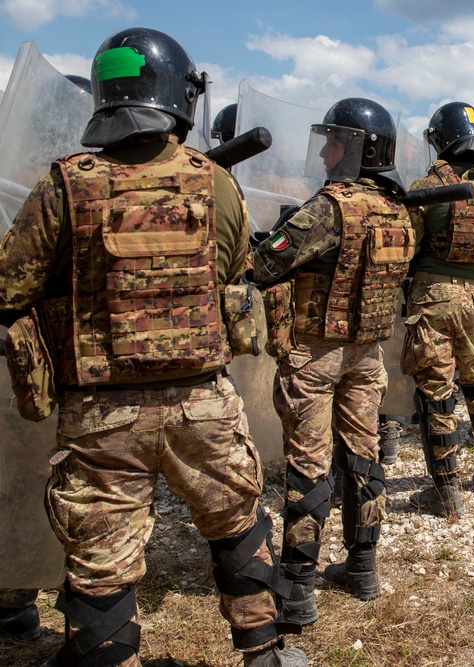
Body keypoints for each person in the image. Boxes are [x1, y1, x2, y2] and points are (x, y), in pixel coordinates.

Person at [0, 27, 307, 666]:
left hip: (99, 413)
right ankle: (265, 651)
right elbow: (231, 274)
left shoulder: (63, 184)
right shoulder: (215, 183)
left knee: (102, 560)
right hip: (203, 403)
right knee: (237, 527)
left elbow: (9, 288)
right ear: (179, 99)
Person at [254, 97, 411, 607]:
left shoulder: (330, 207)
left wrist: (267, 241)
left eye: (333, 142)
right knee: (364, 456)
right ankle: (363, 567)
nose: (324, 153)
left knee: (309, 462)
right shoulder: (400, 212)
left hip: (315, 357)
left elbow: (266, 264)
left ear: (358, 150)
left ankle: (299, 586)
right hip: (366, 355)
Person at [402, 101, 474, 519]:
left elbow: (407, 247)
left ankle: (445, 493)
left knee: (436, 391)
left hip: (433, 298)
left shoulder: (429, 185)